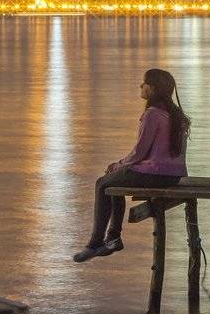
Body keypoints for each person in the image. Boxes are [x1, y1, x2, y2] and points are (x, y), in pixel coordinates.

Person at [74, 68, 190, 263]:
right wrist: (121, 167)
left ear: (153, 89)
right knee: (113, 181)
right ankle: (112, 238)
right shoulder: (175, 115)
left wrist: (120, 164)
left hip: (155, 174)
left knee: (102, 183)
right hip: (174, 175)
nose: (141, 86)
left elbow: (140, 152)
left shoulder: (152, 114)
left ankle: (96, 242)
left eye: (145, 83)